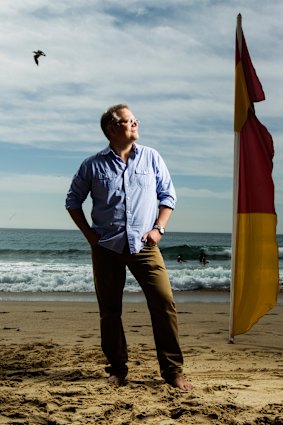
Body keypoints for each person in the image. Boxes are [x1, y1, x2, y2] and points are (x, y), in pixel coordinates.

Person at [65, 104, 192, 391]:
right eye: (128, 121)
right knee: (110, 310)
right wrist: (90, 236)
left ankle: (172, 370)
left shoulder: (151, 157)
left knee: (163, 303)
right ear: (112, 128)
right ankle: (118, 369)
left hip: (145, 245)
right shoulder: (92, 165)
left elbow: (168, 195)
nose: (135, 123)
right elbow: (73, 201)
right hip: (106, 247)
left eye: (135, 120)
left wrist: (159, 228)